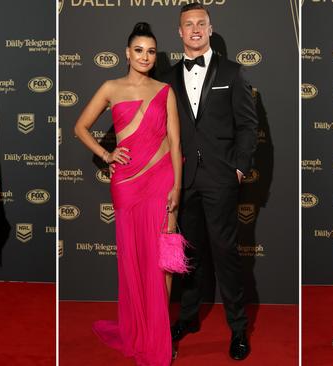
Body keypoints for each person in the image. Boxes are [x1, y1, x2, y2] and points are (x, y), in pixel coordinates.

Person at [74, 22, 183, 366]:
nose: (145, 57)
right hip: (126, 183)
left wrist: (177, 186)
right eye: (139, 50)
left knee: (162, 260)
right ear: (127, 53)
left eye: (151, 51)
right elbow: (79, 127)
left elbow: (176, 142)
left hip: (162, 180)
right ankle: (139, 330)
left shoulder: (165, 90)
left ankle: (159, 335)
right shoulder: (111, 87)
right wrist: (106, 154)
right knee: (134, 258)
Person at [162, 3, 258, 361]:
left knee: (226, 255)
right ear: (180, 32)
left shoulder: (233, 72)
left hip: (220, 178)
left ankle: (238, 328)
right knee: (189, 256)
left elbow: (248, 126)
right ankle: (188, 317)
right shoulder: (168, 78)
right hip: (182, 181)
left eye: (201, 23)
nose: (196, 29)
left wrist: (238, 167)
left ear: (210, 28)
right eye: (189, 24)